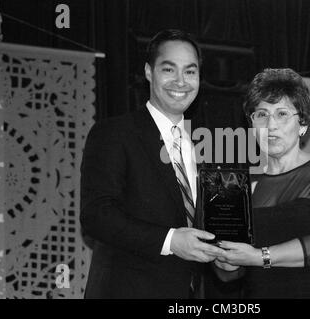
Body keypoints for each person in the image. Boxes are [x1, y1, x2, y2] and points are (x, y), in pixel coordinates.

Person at [80, 29, 225, 298]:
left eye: (190, 72)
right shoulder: (114, 133)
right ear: (149, 72)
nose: (180, 82)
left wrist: (226, 253)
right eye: (169, 70)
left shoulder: (206, 147)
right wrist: (171, 241)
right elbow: (96, 216)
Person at [213, 68, 310, 298]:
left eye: (282, 114)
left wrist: (259, 256)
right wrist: (225, 258)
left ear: (302, 124)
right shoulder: (232, 184)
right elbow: (229, 275)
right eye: (261, 114)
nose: (271, 125)